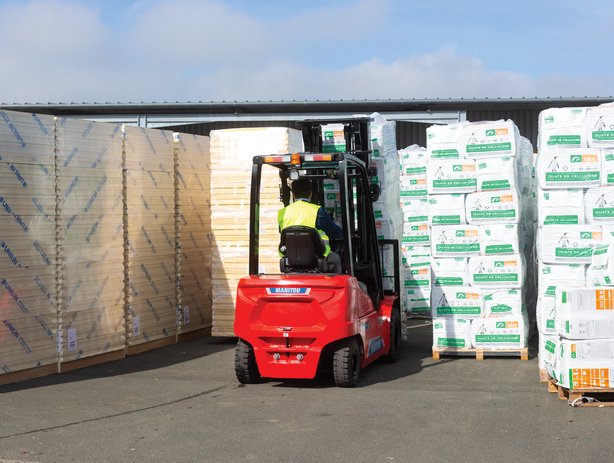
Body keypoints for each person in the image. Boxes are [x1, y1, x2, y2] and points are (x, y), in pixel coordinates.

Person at [278, 178, 342, 272]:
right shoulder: (317, 211)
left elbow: (283, 232)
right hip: (317, 259)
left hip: (290, 259)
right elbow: (335, 232)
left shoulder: (282, 212)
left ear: (293, 195)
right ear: (310, 194)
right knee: (335, 259)